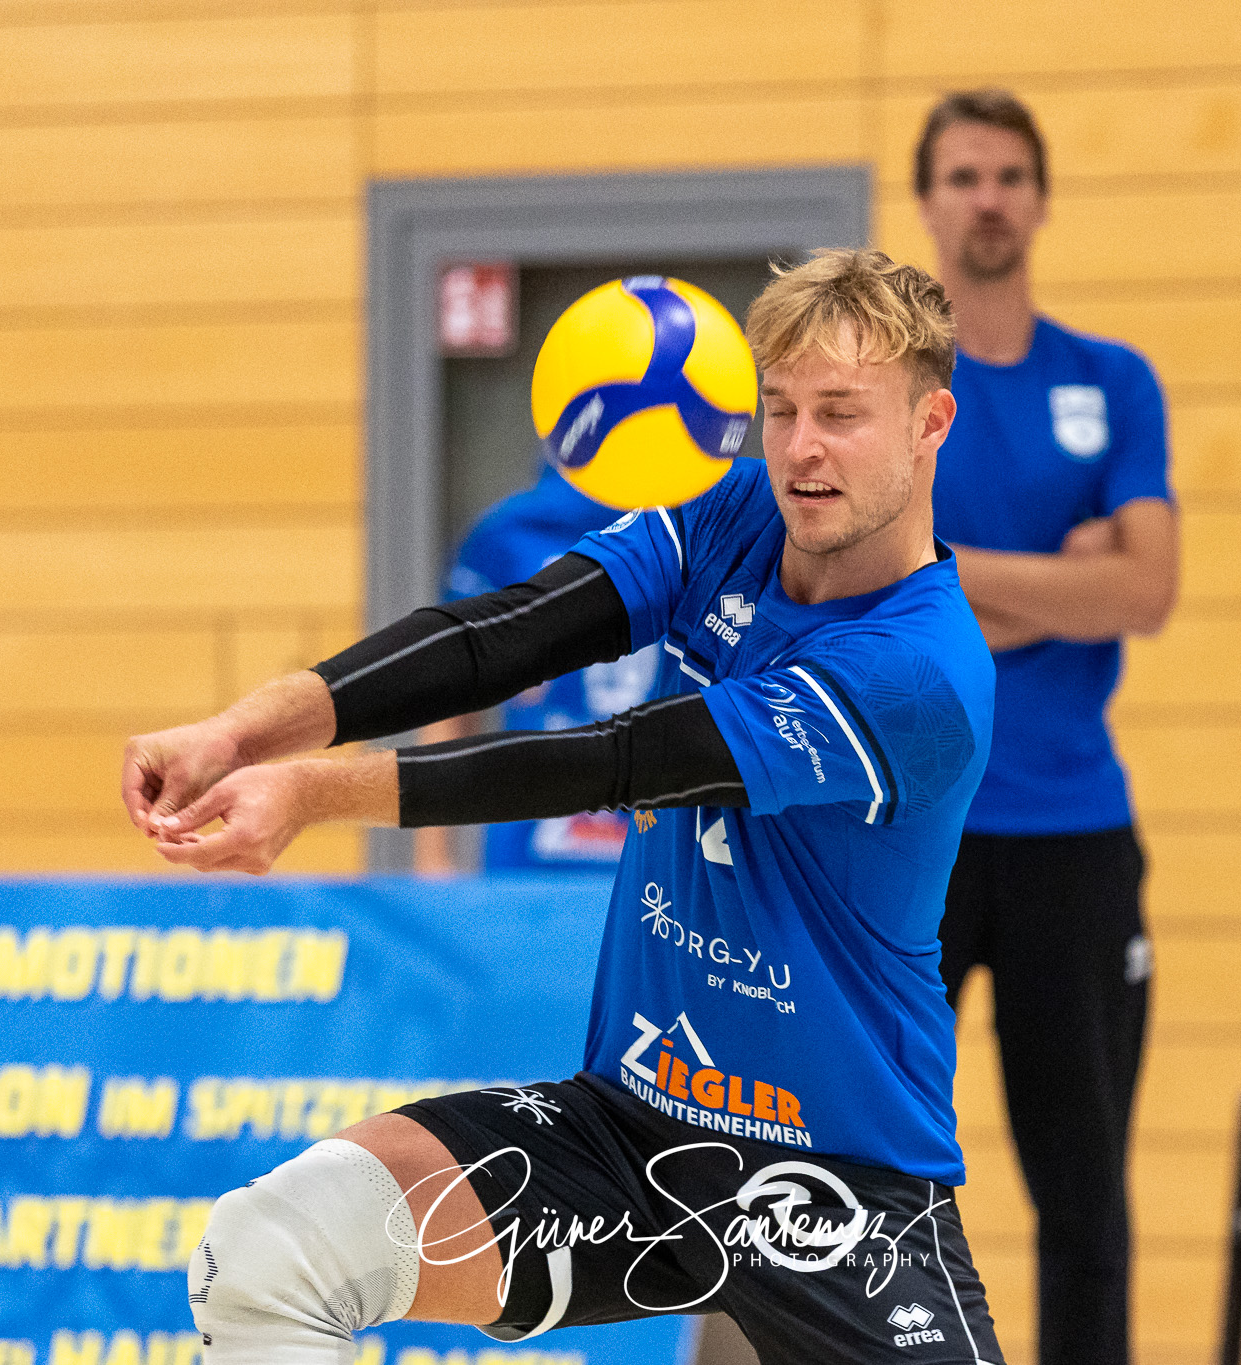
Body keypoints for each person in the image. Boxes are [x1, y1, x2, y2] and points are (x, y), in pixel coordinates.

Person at [122, 249, 1006, 1364]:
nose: (798, 448)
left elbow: (623, 761)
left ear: (930, 423)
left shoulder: (919, 670)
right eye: (777, 410)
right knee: (271, 1248)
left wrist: (312, 789)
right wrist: (242, 732)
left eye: (840, 414)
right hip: (631, 1138)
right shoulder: (733, 517)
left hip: (838, 1186)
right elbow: (508, 634)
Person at [913, 90, 1181, 1365]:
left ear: (1040, 199)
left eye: (1010, 175)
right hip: (911, 833)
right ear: (927, 201)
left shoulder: (1109, 381)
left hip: (1074, 834)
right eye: (964, 175)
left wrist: (958, 583)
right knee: (862, 1173)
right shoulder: (894, 393)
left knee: (1084, 1200)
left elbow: (1145, 588)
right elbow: (869, 598)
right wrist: (1053, 582)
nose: (988, 198)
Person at [416, 464, 660, 872]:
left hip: (663, 860)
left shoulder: (707, 530)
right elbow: (450, 701)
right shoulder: (509, 535)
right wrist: (433, 859)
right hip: (530, 858)